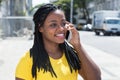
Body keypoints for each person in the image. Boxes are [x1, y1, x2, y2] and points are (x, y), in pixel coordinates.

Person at [15, 3, 101, 80]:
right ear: (40, 28)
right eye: (53, 24)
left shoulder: (71, 55)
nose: (61, 29)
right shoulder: (28, 60)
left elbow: (96, 78)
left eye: (63, 23)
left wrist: (78, 46)